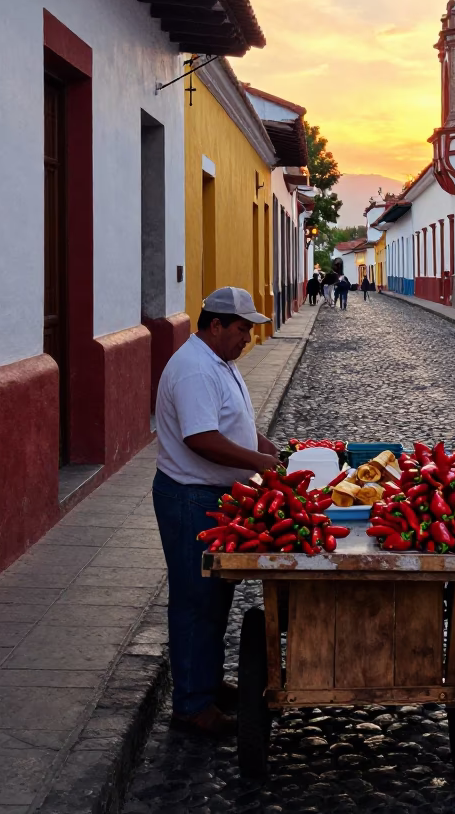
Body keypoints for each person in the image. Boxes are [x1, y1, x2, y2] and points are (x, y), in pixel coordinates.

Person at [152, 287, 278, 738]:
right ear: (216, 325)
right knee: (194, 602)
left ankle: (204, 683)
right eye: (242, 329)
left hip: (214, 497)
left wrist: (267, 447)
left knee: (215, 598)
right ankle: (190, 705)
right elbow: (200, 438)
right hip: (191, 498)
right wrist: (261, 464)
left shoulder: (220, 363)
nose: (247, 338)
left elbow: (235, 422)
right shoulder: (193, 370)